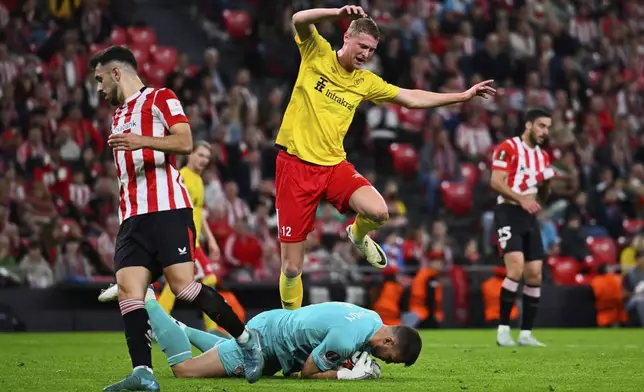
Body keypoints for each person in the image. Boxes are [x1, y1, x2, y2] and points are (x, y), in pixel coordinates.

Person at [275, 5, 496, 310]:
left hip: (334, 165)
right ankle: (291, 326)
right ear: (347, 37)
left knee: (379, 212)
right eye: (362, 46)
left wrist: (461, 96)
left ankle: (357, 233)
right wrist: (337, 11)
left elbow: (411, 98)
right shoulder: (317, 53)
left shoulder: (366, 82)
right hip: (295, 166)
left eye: (372, 50)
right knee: (291, 268)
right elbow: (299, 19)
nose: (366, 54)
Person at [90, 46, 263, 390]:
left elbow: (184, 141)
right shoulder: (118, 114)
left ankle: (246, 340)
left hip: (167, 208)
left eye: (99, 79)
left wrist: (140, 140)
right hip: (132, 216)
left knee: (184, 287)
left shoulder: (159, 97)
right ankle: (143, 373)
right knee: (129, 290)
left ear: (116, 73)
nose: (98, 89)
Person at [102, 287, 422, 380]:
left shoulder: (372, 318)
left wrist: (346, 363)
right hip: (265, 344)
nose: (385, 362)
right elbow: (308, 372)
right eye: (390, 358)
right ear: (389, 340)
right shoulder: (347, 340)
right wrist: (345, 377)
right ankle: (144, 296)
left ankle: (179, 329)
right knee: (183, 371)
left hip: (275, 328)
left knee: (224, 349)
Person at [489, 108, 554, 347]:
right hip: (507, 211)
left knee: (535, 273)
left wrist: (547, 183)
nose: (545, 131)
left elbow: (543, 196)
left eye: (548, 127)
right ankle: (503, 330)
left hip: (529, 216)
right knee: (515, 269)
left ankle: (526, 333)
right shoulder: (508, 147)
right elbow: (496, 182)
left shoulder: (543, 157)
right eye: (541, 125)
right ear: (528, 125)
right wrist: (521, 199)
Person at [156, 141, 223, 333]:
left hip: (194, 240)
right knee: (207, 278)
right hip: (185, 238)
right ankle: (212, 328)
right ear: (190, 154)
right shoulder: (182, 177)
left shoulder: (198, 180)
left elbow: (200, 213)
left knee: (178, 281)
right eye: (200, 155)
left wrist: (211, 239)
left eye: (207, 158)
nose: (203, 160)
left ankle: (156, 324)